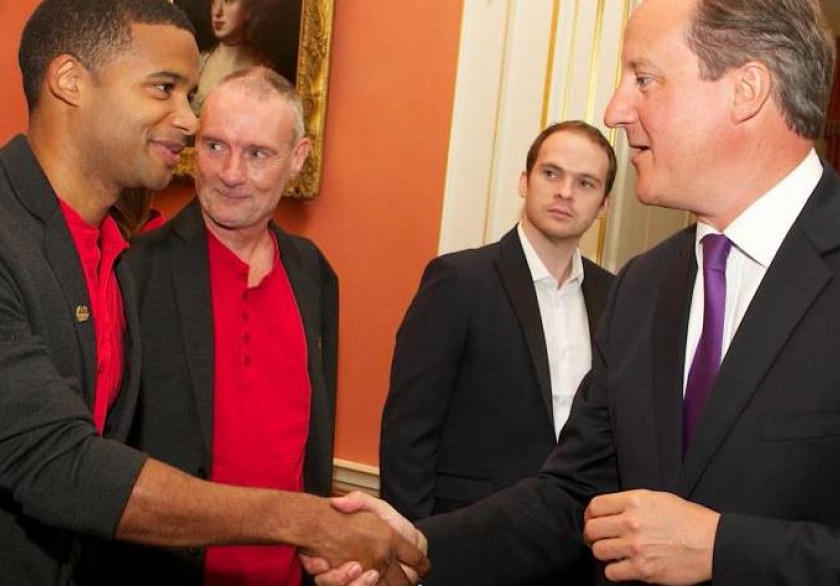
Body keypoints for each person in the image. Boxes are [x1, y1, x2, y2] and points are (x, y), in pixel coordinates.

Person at [307, 0, 840, 584]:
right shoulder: (644, 286)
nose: (616, 110)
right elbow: (571, 495)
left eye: (644, 78)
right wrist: (416, 548)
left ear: (746, 90)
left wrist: (723, 548)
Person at [0, 1, 426, 585]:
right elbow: (57, 464)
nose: (187, 121)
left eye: (189, 96)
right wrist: (309, 521)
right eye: (165, 88)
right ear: (70, 81)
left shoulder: (107, 251)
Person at [92, 66, 338, 586]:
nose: (230, 173)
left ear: (298, 157)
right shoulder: (133, 270)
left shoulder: (314, 274)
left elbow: (313, 448)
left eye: (257, 154)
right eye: (215, 146)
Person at [379, 122, 614, 531]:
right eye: (551, 173)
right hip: (467, 532)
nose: (565, 192)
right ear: (524, 181)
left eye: (585, 183)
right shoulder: (459, 280)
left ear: (603, 205)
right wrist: (414, 542)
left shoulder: (614, 295)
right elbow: (409, 429)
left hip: (575, 538)